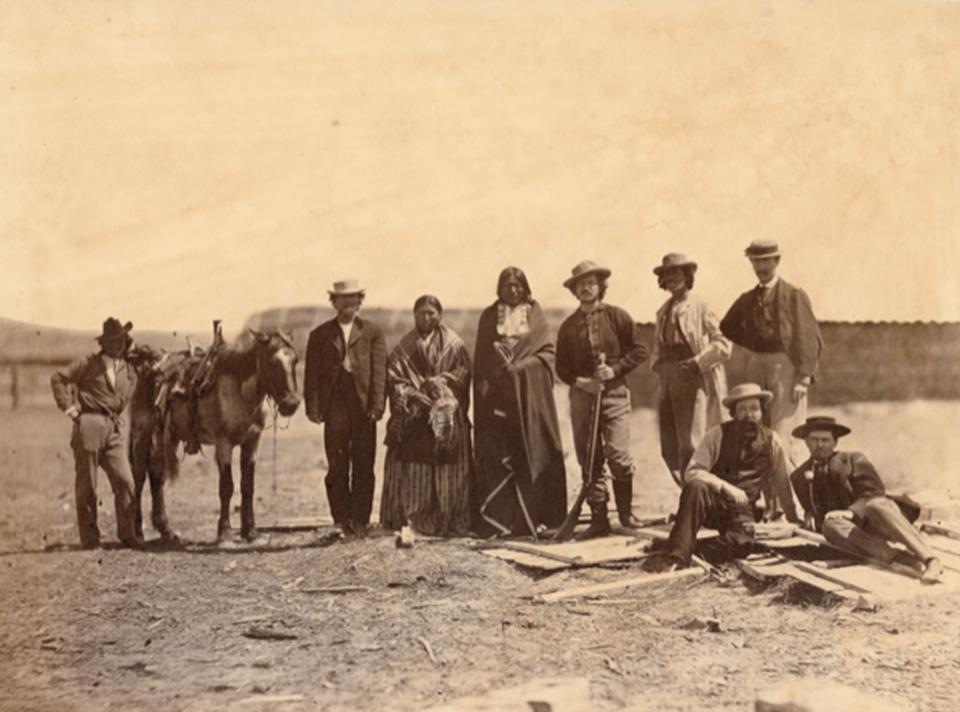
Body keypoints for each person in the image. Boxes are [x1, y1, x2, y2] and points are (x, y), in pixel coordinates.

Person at [646, 383, 800, 570]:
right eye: (742, 409)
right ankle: (677, 558)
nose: (749, 414)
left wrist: (793, 519)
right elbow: (692, 471)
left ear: (762, 412)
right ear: (733, 413)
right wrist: (725, 487)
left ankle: (679, 545)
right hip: (713, 507)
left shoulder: (772, 441)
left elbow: (782, 483)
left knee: (741, 545)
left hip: (742, 511)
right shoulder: (717, 435)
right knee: (696, 487)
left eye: (754, 409)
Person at [556, 260, 649, 538]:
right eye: (580, 284)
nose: (586, 287)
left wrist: (614, 370)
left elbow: (640, 350)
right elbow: (561, 368)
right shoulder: (569, 327)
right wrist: (582, 382)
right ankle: (599, 519)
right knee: (590, 459)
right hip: (583, 399)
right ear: (575, 291)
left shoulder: (618, 317)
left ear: (600, 286)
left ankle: (625, 513)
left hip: (615, 395)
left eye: (591, 282)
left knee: (618, 456)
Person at [789, 416, 942, 583]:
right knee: (829, 526)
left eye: (825, 440)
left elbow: (874, 492)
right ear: (805, 442)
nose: (819, 445)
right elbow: (813, 509)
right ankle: (900, 558)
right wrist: (809, 514)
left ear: (835, 442)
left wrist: (850, 512)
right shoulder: (799, 476)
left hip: (879, 519)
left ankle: (930, 559)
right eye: (814, 440)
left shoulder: (853, 459)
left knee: (875, 505)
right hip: (852, 533)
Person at [473, 267, 567, 537]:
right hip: (497, 401)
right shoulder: (489, 316)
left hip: (529, 402)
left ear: (525, 288)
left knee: (531, 454)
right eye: (507, 285)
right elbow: (481, 359)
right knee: (498, 455)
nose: (513, 290)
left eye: (517, 285)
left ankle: (534, 519)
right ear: (499, 288)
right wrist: (494, 376)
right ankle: (500, 520)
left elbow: (548, 355)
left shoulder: (535, 315)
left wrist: (519, 369)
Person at [720, 240, 822, 472]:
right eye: (755, 261)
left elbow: (809, 338)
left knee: (784, 434)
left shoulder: (794, 295)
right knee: (758, 434)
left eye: (766, 260)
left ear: (777, 261)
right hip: (757, 366)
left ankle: (793, 502)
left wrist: (803, 377)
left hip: (786, 367)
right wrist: (755, 343)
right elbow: (727, 326)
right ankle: (771, 504)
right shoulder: (748, 298)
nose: (760, 266)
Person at [379, 295, 473, 536]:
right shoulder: (405, 346)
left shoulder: (454, 344)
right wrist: (412, 394)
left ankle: (450, 516)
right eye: (422, 313)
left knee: (450, 466)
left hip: (446, 415)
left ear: (440, 315)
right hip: (416, 417)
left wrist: (444, 385)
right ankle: (416, 517)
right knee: (416, 468)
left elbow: (463, 372)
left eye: (432, 313)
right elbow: (395, 379)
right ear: (414, 315)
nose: (427, 317)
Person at [50, 318, 143, 549]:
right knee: (87, 485)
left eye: (121, 341)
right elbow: (58, 378)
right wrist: (69, 408)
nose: (117, 345)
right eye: (112, 341)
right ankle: (90, 540)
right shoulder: (89, 363)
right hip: (88, 424)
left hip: (114, 429)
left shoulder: (129, 369)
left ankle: (128, 534)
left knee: (126, 481)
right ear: (104, 343)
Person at [304, 279, 387, 535]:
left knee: (364, 463)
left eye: (353, 299)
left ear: (360, 301)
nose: (348, 304)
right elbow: (312, 375)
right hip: (335, 405)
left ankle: (360, 520)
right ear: (334, 302)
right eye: (342, 299)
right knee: (337, 464)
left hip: (363, 407)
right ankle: (340, 519)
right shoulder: (319, 335)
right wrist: (313, 407)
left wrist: (377, 405)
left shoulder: (373, 332)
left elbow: (379, 372)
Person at [651, 253, 731, 486]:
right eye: (667, 274)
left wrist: (698, 363)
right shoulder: (662, 311)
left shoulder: (702, 306)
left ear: (688, 276)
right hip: (669, 379)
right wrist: (659, 367)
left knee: (693, 443)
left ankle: (705, 496)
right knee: (670, 445)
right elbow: (657, 346)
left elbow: (723, 344)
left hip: (696, 379)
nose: (672, 278)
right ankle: (689, 495)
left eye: (677, 273)